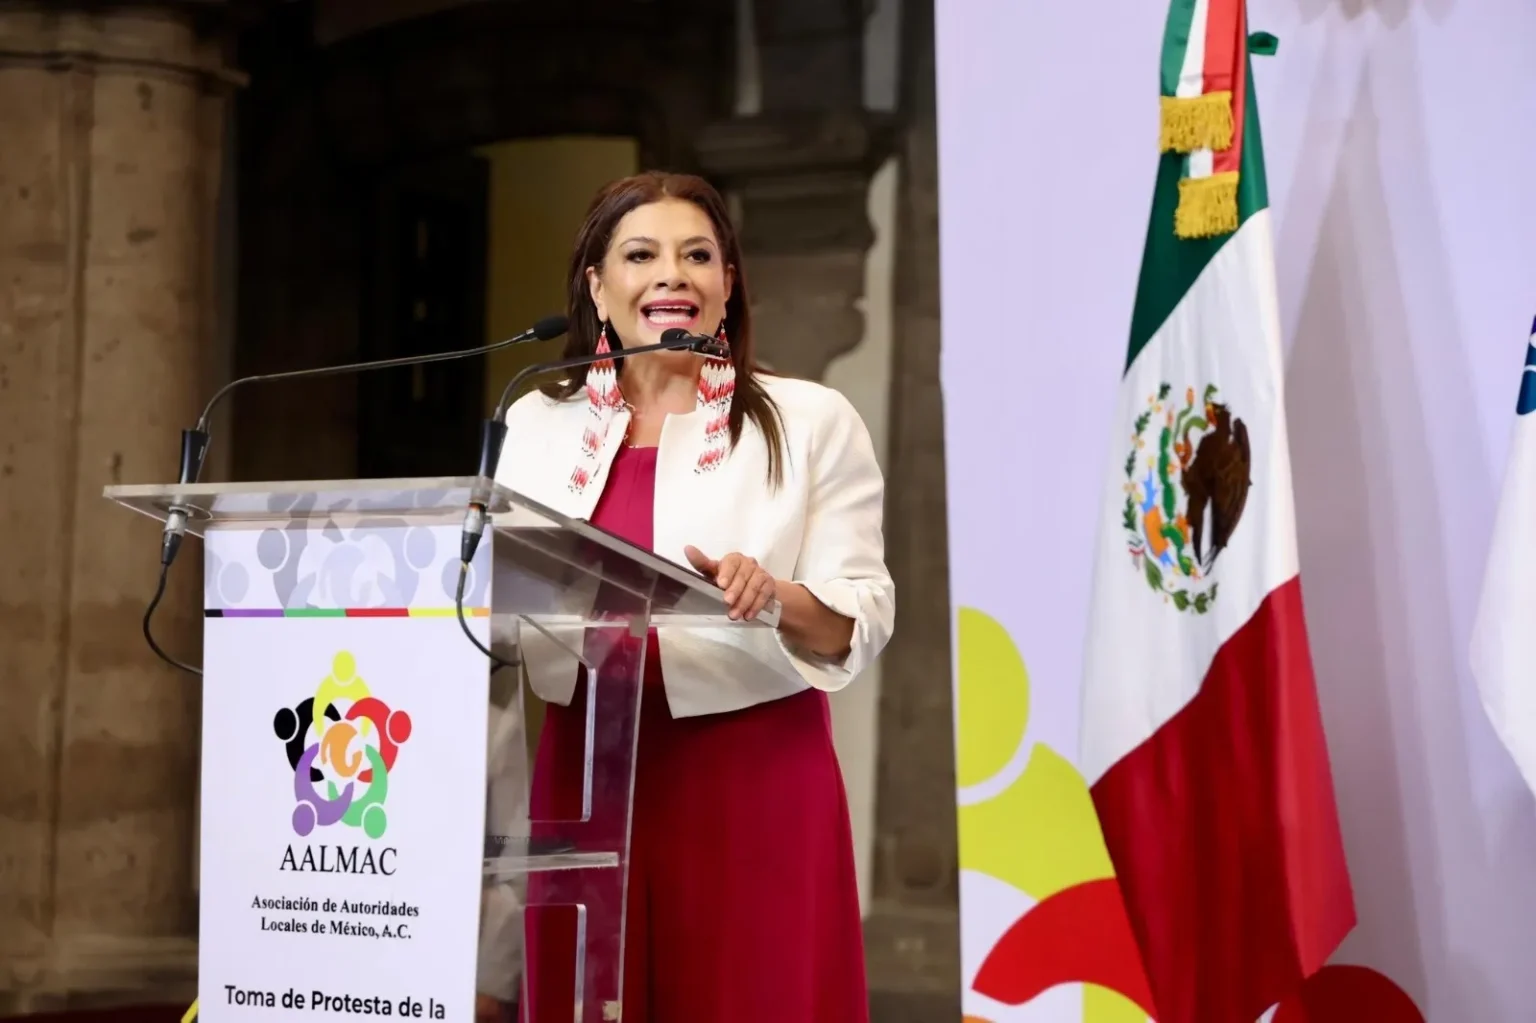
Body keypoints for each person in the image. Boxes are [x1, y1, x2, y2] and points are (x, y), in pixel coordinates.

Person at [480, 171, 894, 1023]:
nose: (672, 274)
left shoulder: (810, 418)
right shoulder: (532, 424)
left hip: (749, 773)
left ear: (726, 284)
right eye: (641, 254)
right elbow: (493, 607)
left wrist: (773, 593)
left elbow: (863, 608)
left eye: (697, 255)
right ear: (598, 288)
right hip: (584, 768)